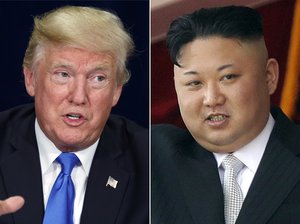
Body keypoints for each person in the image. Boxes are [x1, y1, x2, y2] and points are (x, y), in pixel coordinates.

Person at [152, 5, 300, 224]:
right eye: (194, 83)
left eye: (228, 77)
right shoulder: (151, 158)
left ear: (269, 77)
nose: (212, 99)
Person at [0, 5, 148, 224]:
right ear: (30, 79)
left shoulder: (149, 161)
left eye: (98, 78)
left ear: (117, 90)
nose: (79, 96)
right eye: (63, 74)